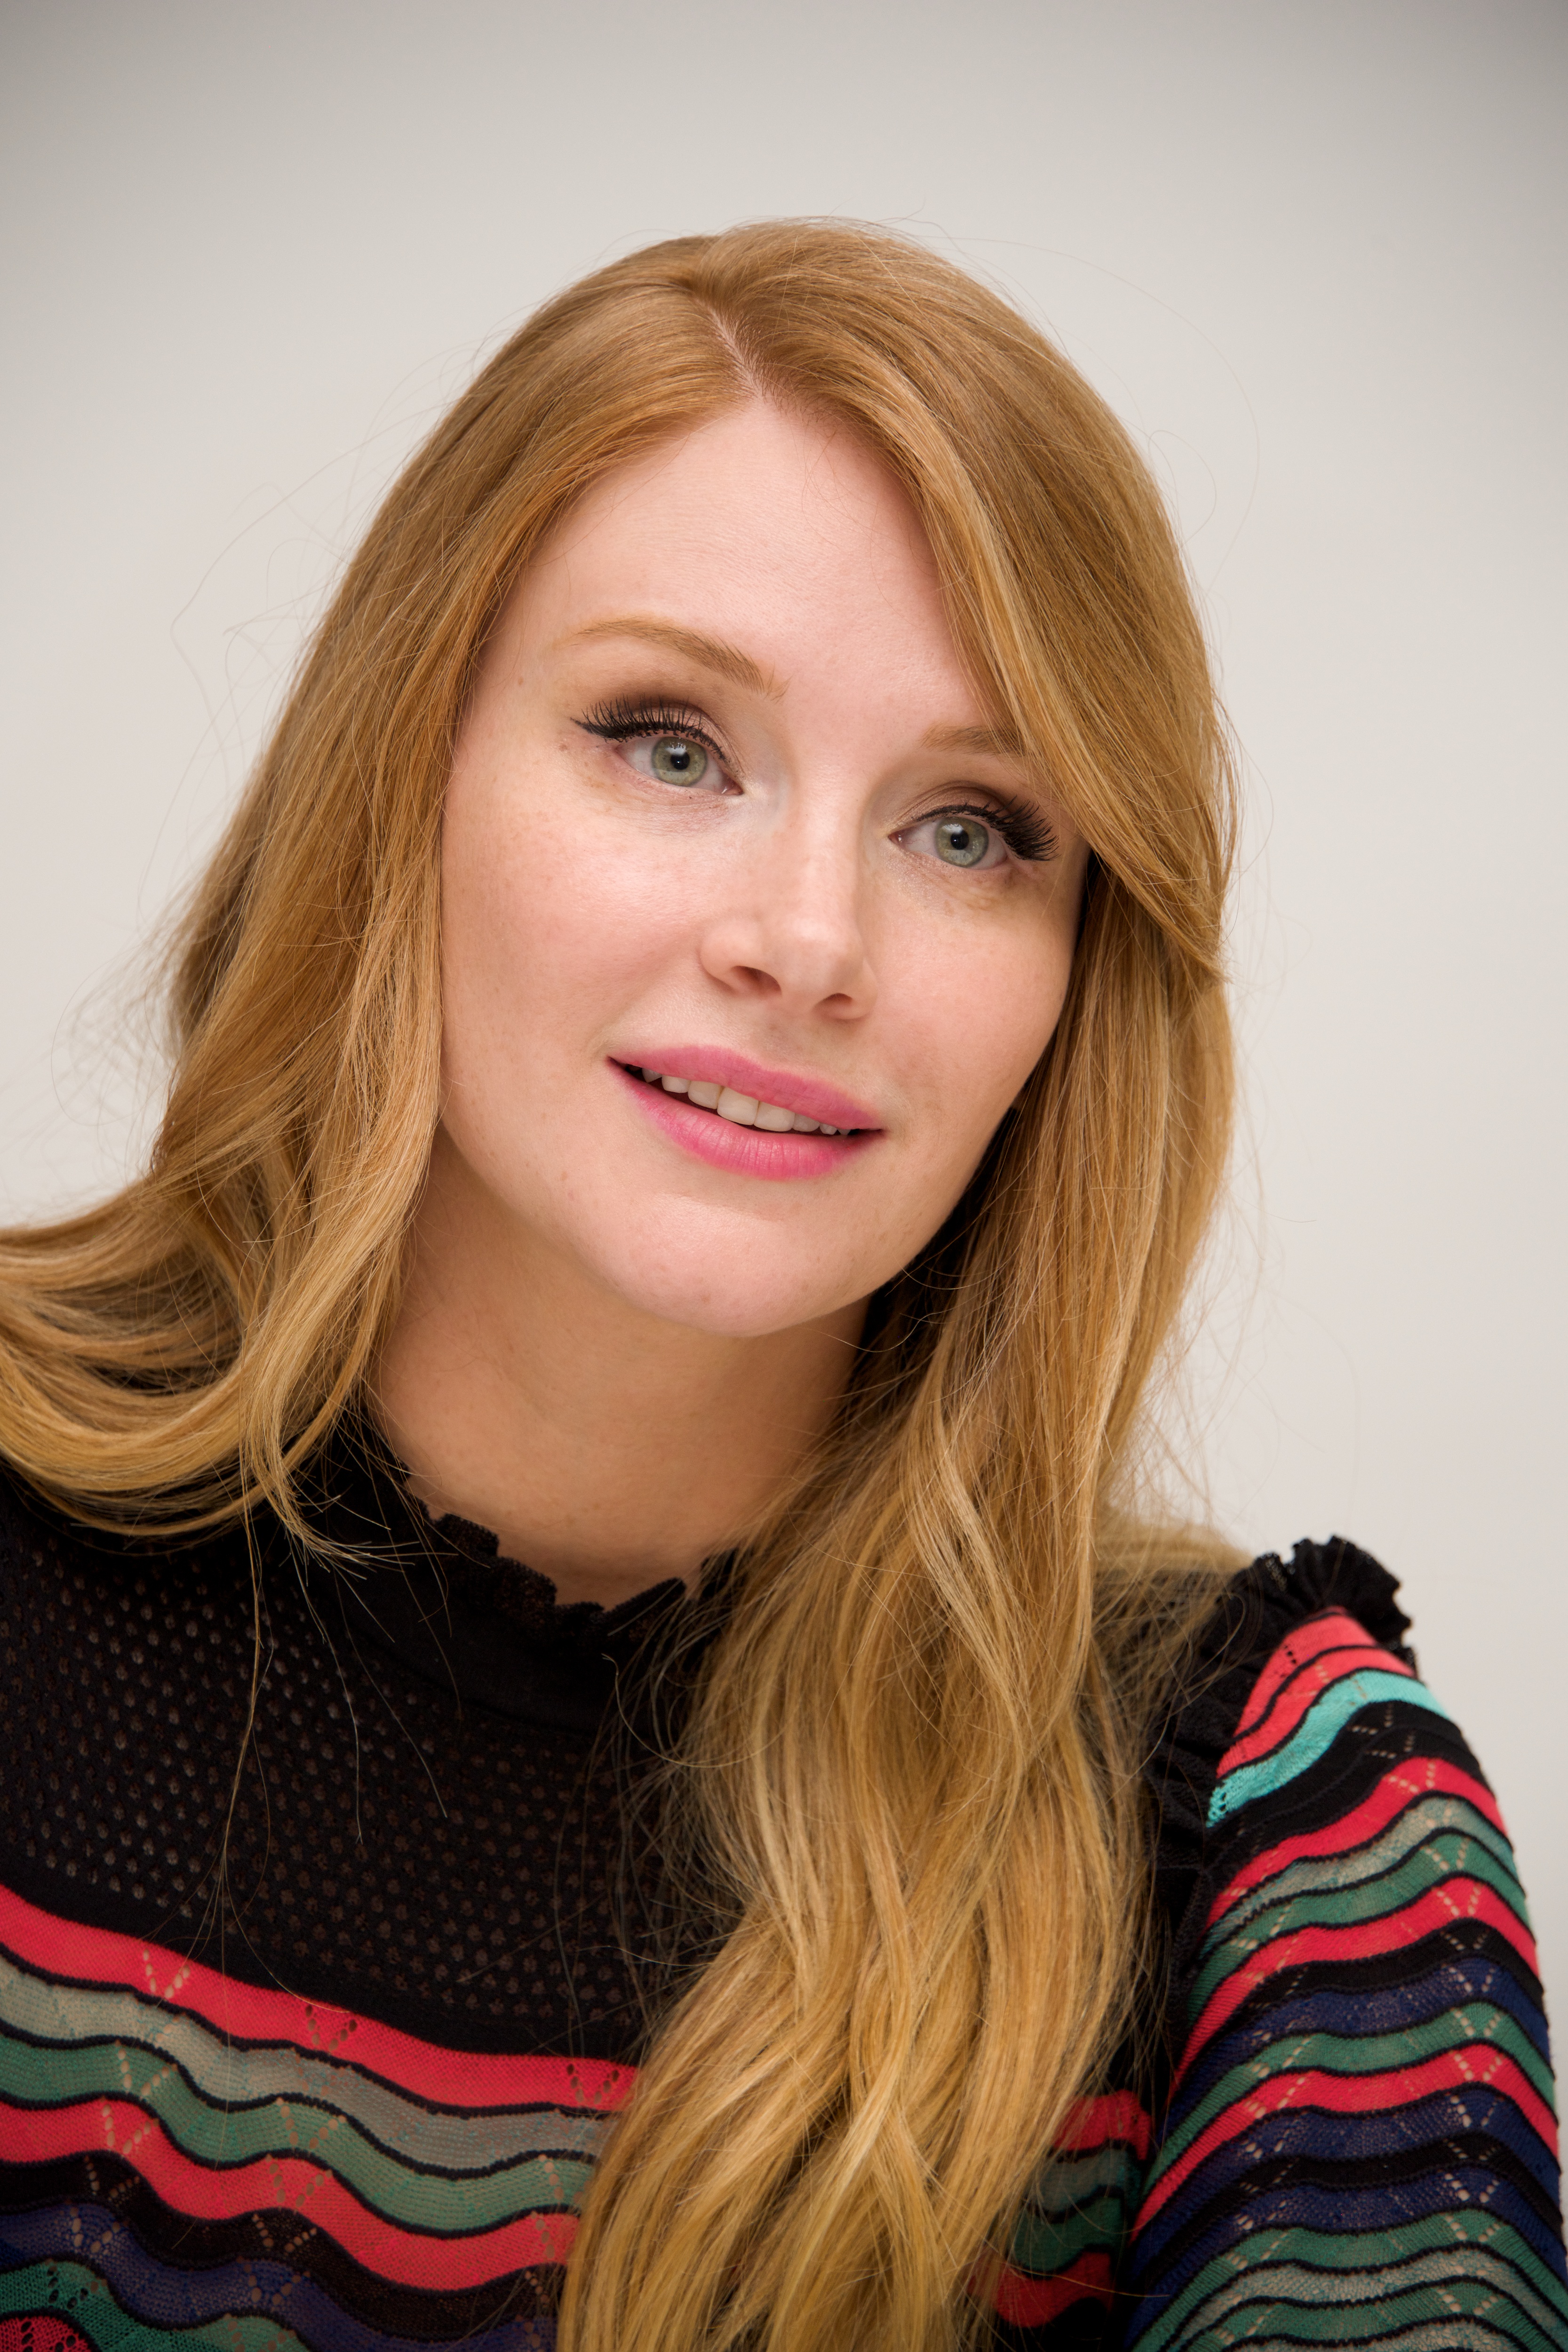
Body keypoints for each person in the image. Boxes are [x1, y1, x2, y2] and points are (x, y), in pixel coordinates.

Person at [0, 220, 1560, 2352]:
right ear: (400, 777)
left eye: (973, 828)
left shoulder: (1276, 1834)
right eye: (669, 742)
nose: (810, 938)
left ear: (1074, 979)